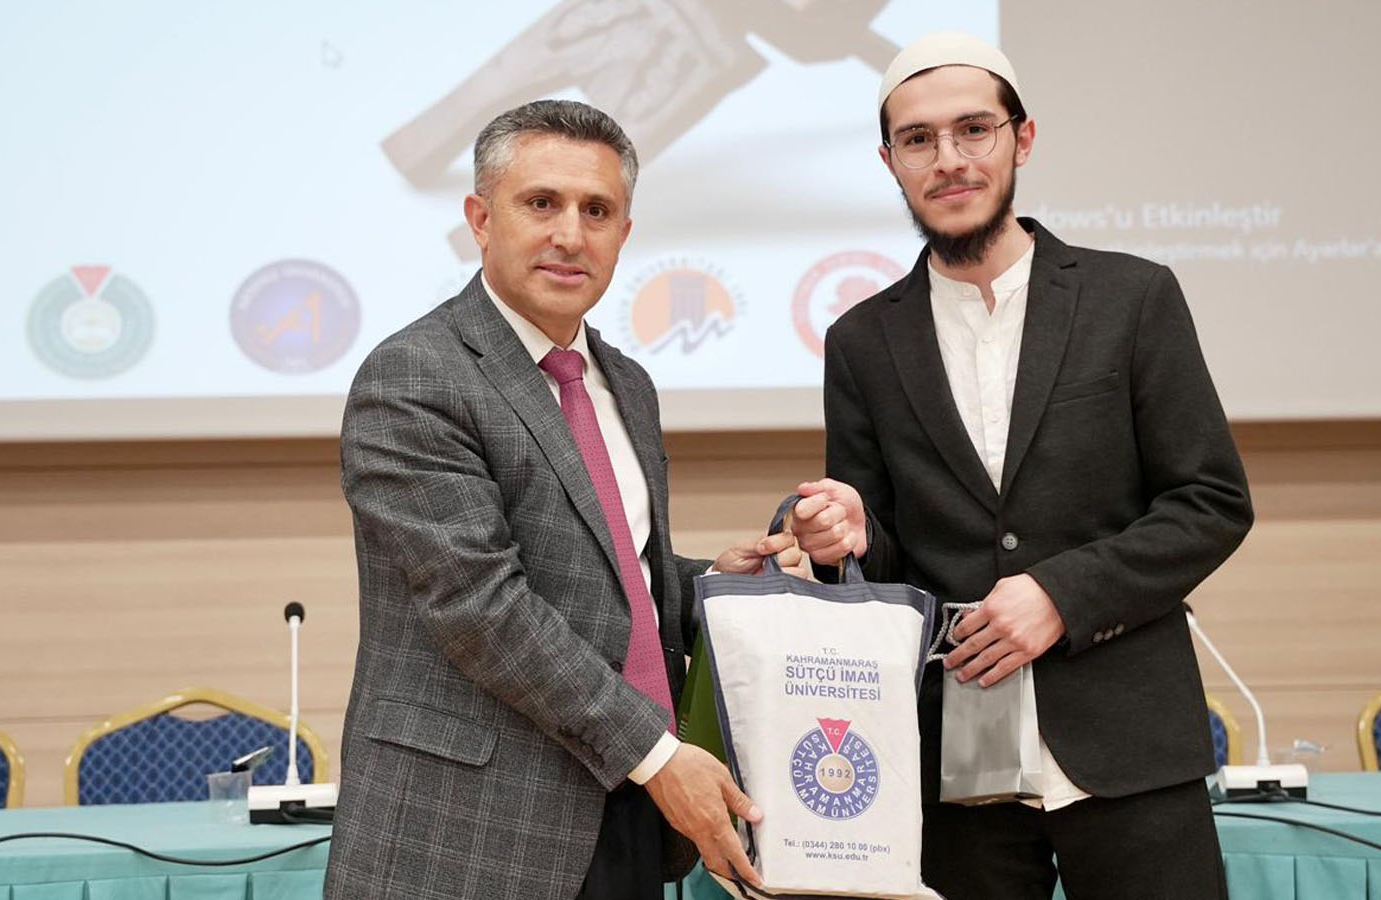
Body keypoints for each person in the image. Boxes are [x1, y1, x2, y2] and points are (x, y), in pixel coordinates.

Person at [791, 33, 1255, 900]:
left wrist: (1061, 597)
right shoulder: (861, 340)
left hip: (1130, 745)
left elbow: (1211, 501)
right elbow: (883, 561)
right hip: (953, 772)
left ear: (1022, 139)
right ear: (890, 163)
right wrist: (846, 539)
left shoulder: (1131, 298)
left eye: (974, 129)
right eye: (919, 140)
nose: (949, 159)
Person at [325, 99, 792, 900]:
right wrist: (658, 755)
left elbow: (605, 577)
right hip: (468, 837)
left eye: (596, 211)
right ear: (480, 219)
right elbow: (482, 607)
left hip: (627, 818)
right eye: (541, 203)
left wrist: (710, 582)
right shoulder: (415, 375)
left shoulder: (627, 383)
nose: (571, 235)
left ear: (624, 233)